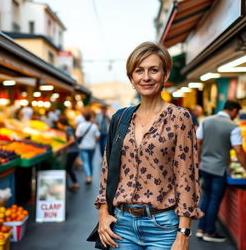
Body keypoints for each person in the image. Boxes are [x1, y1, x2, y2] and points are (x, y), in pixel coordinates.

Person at [94, 42, 203, 250]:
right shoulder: (120, 118)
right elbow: (107, 169)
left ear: (165, 74)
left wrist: (184, 234)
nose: (146, 77)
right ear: (131, 78)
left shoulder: (180, 118)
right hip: (121, 226)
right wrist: (103, 214)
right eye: (139, 71)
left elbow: (186, 177)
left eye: (153, 70)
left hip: (163, 228)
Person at [196, 99, 246, 242]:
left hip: (205, 167)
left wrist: (199, 161)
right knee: (214, 200)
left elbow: (198, 142)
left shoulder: (206, 121)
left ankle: (201, 228)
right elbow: (239, 151)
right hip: (220, 169)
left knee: (206, 197)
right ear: (235, 111)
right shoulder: (233, 127)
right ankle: (209, 232)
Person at [76, 110, 100, 184]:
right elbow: (97, 136)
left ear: (84, 117)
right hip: (92, 146)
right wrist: (92, 140)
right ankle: (91, 176)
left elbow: (77, 136)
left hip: (83, 146)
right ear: (90, 117)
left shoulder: (80, 126)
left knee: (85, 161)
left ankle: (88, 176)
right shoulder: (94, 126)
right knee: (90, 161)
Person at [57, 117, 80, 192]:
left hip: (72, 150)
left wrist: (62, 146)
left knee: (68, 167)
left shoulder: (67, 129)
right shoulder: (69, 128)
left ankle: (75, 183)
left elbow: (72, 140)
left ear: (61, 123)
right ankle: (73, 183)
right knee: (68, 167)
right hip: (73, 150)